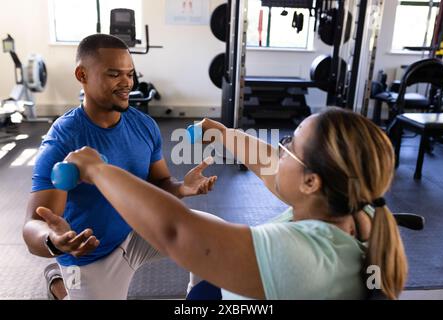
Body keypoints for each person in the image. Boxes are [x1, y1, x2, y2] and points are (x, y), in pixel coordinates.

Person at [46, 108, 408, 300]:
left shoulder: (304, 256)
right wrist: (221, 133)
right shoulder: (359, 210)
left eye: (289, 146)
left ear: (311, 181)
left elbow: (177, 231)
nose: (278, 150)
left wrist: (99, 170)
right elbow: (272, 166)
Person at [22, 34, 217, 300]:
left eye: (130, 74)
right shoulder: (63, 140)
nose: (126, 83)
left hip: (138, 230)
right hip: (91, 253)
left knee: (214, 237)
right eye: (114, 74)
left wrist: (182, 187)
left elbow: (159, 185)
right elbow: (33, 224)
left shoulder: (144, 126)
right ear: (82, 74)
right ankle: (61, 286)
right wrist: (54, 242)